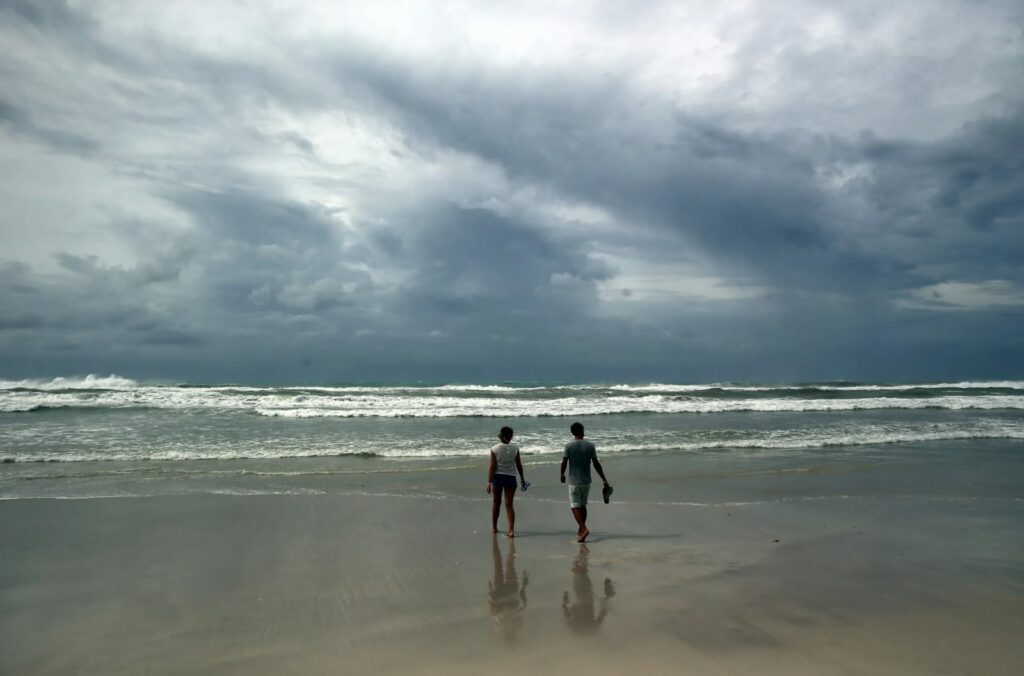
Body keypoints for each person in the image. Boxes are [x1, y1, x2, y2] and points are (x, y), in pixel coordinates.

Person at [560, 422, 610, 543]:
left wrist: (562, 474)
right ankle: (581, 529)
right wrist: (604, 479)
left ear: (572, 432)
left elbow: (564, 461)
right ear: (582, 431)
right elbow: (596, 464)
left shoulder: (569, 445)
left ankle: (583, 528)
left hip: (574, 481)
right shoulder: (590, 445)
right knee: (582, 505)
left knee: (574, 506)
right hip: (586, 481)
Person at [487, 426, 527, 537]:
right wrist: (522, 479)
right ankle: (511, 530)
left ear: (502, 436)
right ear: (510, 436)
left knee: (496, 503)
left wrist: (489, 482)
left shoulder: (494, 449)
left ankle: (494, 527)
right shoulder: (515, 448)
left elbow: (492, 467)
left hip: (498, 478)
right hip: (511, 478)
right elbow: (519, 465)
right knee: (509, 505)